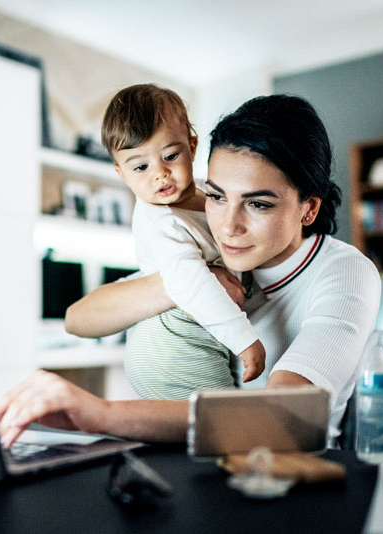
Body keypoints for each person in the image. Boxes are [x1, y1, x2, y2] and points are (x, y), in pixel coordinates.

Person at [0, 94, 381, 448]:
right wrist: (183, 284)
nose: (228, 226)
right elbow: (78, 319)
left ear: (308, 209)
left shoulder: (345, 273)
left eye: (258, 204)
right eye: (215, 196)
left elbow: (282, 415)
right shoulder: (203, 254)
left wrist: (102, 415)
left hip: (285, 481)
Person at [100, 84, 265, 400]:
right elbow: (192, 285)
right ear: (122, 174)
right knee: (224, 425)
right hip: (173, 349)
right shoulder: (162, 222)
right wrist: (244, 340)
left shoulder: (209, 192)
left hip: (198, 336)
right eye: (140, 167)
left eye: (170, 156)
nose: (160, 174)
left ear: (192, 146)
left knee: (216, 433)